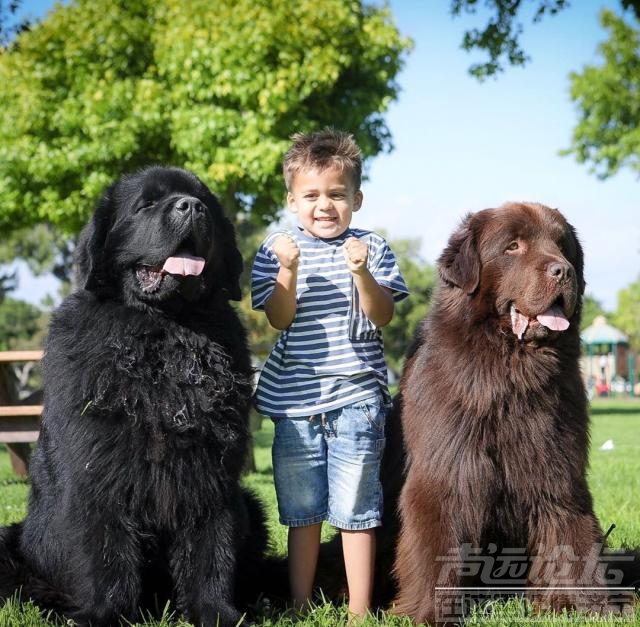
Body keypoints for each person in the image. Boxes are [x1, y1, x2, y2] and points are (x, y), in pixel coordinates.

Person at [251, 128, 409, 618]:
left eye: (337, 195)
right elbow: (279, 317)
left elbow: (383, 315)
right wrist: (288, 272)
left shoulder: (372, 248)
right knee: (302, 514)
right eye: (312, 195)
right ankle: (299, 605)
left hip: (358, 401)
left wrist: (361, 272)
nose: (325, 205)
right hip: (296, 405)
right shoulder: (277, 249)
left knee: (357, 512)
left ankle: (359, 610)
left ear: (356, 199)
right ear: (292, 200)